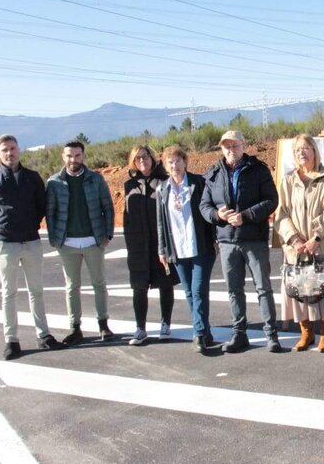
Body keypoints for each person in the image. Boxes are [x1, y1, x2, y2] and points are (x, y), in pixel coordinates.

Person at [0, 134, 62, 360]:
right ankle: (11, 340)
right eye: (4, 149)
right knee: (9, 293)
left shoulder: (32, 178)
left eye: (12, 148)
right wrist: (1, 229)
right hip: (6, 245)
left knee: (37, 291)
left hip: (31, 242)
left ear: (19, 150)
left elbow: (41, 206)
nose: (9, 153)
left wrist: (30, 225)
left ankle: (43, 335)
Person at [200, 131, 282, 354]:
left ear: (243, 146)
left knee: (263, 288)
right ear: (221, 148)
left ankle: (271, 335)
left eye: (235, 146)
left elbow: (271, 201)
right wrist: (218, 215)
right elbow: (204, 206)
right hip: (227, 241)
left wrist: (245, 215)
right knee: (234, 290)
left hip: (253, 238)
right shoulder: (213, 174)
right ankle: (239, 334)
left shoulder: (258, 169)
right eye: (226, 146)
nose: (231, 150)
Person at [274, 134, 324, 353]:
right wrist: (294, 240)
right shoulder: (288, 180)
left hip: (323, 244)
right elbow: (281, 213)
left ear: (314, 151)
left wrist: (316, 237)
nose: (302, 153)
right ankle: (306, 332)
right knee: (300, 289)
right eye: (297, 150)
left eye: (306, 148)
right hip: (296, 248)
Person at [46, 140, 114, 346]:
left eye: (77, 155)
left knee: (99, 284)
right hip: (67, 244)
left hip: (93, 241)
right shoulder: (54, 182)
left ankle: (103, 325)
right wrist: (55, 239)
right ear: (63, 157)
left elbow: (108, 207)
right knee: (72, 287)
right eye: (69, 156)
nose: (73, 159)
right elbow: (50, 212)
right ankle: (75, 328)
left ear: (83, 156)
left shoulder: (95, 179)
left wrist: (107, 234)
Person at [156, 146, 217, 354]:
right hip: (178, 250)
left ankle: (198, 333)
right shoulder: (162, 189)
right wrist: (162, 249)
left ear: (185, 162)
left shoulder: (198, 183)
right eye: (170, 162)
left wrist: (215, 239)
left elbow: (209, 213)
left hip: (200, 246)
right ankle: (206, 331)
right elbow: (161, 223)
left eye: (178, 161)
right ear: (166, 166)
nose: (175, 165)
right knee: (190, 292)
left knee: (199, 290)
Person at [123, 145, 179, 346]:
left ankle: (166, 324)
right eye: (137, 158)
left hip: (161, 243)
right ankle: (140, 328)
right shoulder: (129, 185)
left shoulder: (165, 182)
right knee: (139, 288)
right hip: (138, 245)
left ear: (152, 158)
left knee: (165, 284)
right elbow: (126, 216)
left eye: (145, 157)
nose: (142, 161)